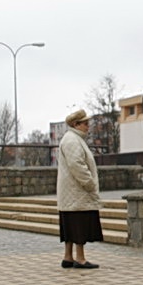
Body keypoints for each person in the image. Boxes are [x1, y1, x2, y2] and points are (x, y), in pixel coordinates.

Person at [57, 109, 103, 269]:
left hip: (72, 194)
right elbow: (77, 165)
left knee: (70, 225)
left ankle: (68, 256)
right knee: (79, 225)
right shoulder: (72, 140)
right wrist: (90, 183)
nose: (87, 127)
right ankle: (80, 258)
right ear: (75, 124)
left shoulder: (72, 139)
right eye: (85, 123)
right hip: (77, 192)